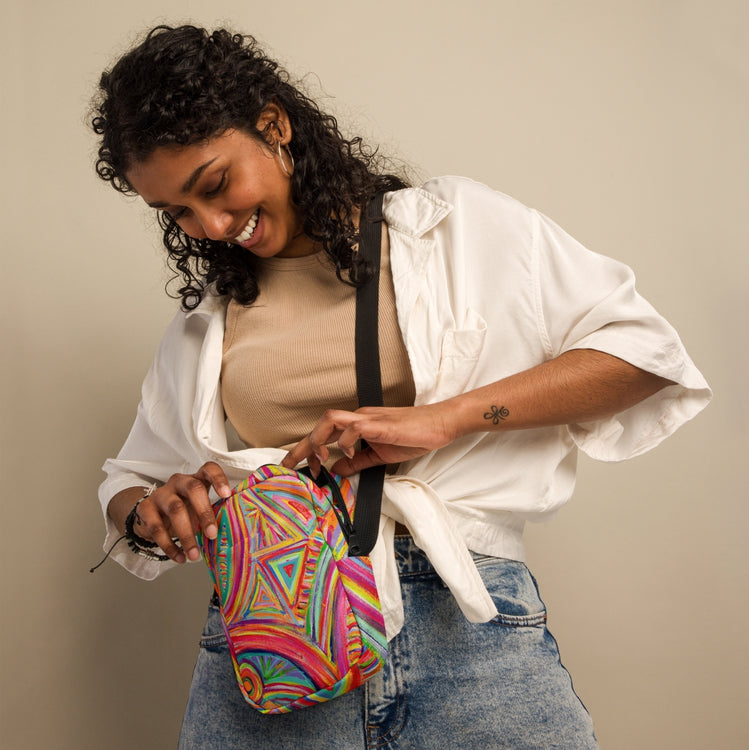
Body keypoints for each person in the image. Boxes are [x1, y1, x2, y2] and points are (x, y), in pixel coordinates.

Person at [91, 24, 711, 750]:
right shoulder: (208, 321)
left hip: (466, 629)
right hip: (276, 641)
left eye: (216, 185)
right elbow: (128, 483)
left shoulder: (451, 230)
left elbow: (644, 356)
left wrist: (446, 419)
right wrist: (154, 511)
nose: (213, 225)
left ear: (274, 124)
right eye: (178, 213)